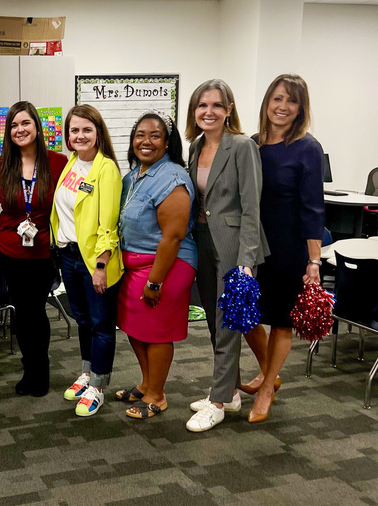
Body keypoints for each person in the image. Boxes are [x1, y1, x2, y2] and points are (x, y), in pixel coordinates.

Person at [183, 79, 268, 433]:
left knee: (228, 321)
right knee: (215, 321)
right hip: (203, 240)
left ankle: (217, 402)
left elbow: (252, 208)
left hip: (235, 246)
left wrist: (247, 260)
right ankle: (230, 391)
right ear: (194, 111)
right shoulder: (195, 147)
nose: (209, 112)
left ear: (229, 110)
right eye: (202, 105)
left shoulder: (242, 147)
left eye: (217, 105)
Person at [241, 75, 324, 423]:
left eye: (291, 101)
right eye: (277, 98)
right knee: (242, 313)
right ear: (267, 102)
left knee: (281, 321)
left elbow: (313, 207)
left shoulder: (308, 148)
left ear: (301, 108)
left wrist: (314, 260)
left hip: (289, 247)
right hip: (252, 244)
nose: (283, 107)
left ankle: (265, 390)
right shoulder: (252, 144)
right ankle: (269, 372)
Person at [115, 110, 197, 419]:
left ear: (168, 142)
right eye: (140, 135)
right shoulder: (134, 174)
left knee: (157, 332)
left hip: (166, 266)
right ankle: (147, 383)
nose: (145, 141)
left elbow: (173, 237)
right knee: (136, 329)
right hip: (135, 265)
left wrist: (155, 281)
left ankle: (157, 395)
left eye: (154, 136)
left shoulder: (173, 177)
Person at [0, 101, 68, 397]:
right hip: (11, 249)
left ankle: (39, 372)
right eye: (14, 125)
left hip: (45, 250)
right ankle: (28, 368)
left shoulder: (59, 163)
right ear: (8, 132)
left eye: (25, 123)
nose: (19, 130)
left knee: (36, 310)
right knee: (22, 311)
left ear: (37, 127)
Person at [50, 104, 123, 417]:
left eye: (86, 130)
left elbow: (109, 225)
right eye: (74, 130)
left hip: (94, 260)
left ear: (98, 133)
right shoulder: (71, 163)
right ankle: (87, 372)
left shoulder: (106, 169)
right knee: (82, 318)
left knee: (101, 324)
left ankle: (98, 385)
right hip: (69, 254)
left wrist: (102, 266)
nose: (80, 135)